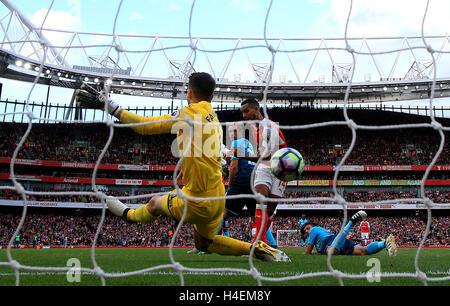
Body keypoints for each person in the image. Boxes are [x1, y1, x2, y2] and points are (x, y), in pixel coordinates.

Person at [77, 72, 290, 262]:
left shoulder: (189, 113)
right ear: (212, 96)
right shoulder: (212, 117)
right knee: (203, 243)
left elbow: (144, 126)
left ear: (189, 93)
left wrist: (111, 107)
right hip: (217, 197)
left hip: (196, 200)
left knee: (153, 204)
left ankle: (128, 215)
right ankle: (256, 248)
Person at [234, 98, 288, 246]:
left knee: (270, 209)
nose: (244, 115)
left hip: (281, 168)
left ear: (256, 109)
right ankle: (259, 243)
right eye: (242, 112)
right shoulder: (252, 127)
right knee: (260, 200)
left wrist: (238, 155)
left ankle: (261, 240)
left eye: (246, 111)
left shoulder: (269, 127)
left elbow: (266, 155)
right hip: (264, 167)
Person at [302, 211, 397, 256]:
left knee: (331, 252)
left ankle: (351, 222)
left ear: (312, 226)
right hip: (337, 241)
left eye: (307, 228)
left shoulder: (314, 230)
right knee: (363, 251)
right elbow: (318, 251)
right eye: (305, 230)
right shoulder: (320, 234)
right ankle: (385, 243)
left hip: (331, 242)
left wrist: (307, 253)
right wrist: (317, 252)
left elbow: (307, 252)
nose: (306, 231)